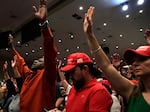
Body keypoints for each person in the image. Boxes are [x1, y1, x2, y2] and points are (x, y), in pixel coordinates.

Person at [83, 6, 150, 112]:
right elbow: (106, 66)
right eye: (134, 61)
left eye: (142, 59)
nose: (135, 63)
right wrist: (90, 35)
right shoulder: (132, 92)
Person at [8, 0, 57, 111]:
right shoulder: (30, 75)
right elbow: (21, 62)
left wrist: (44, 24)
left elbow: (50, 51)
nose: (36, 60)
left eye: (41, 59)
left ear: (46, 65)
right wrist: (11, 47)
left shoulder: (47, 76)